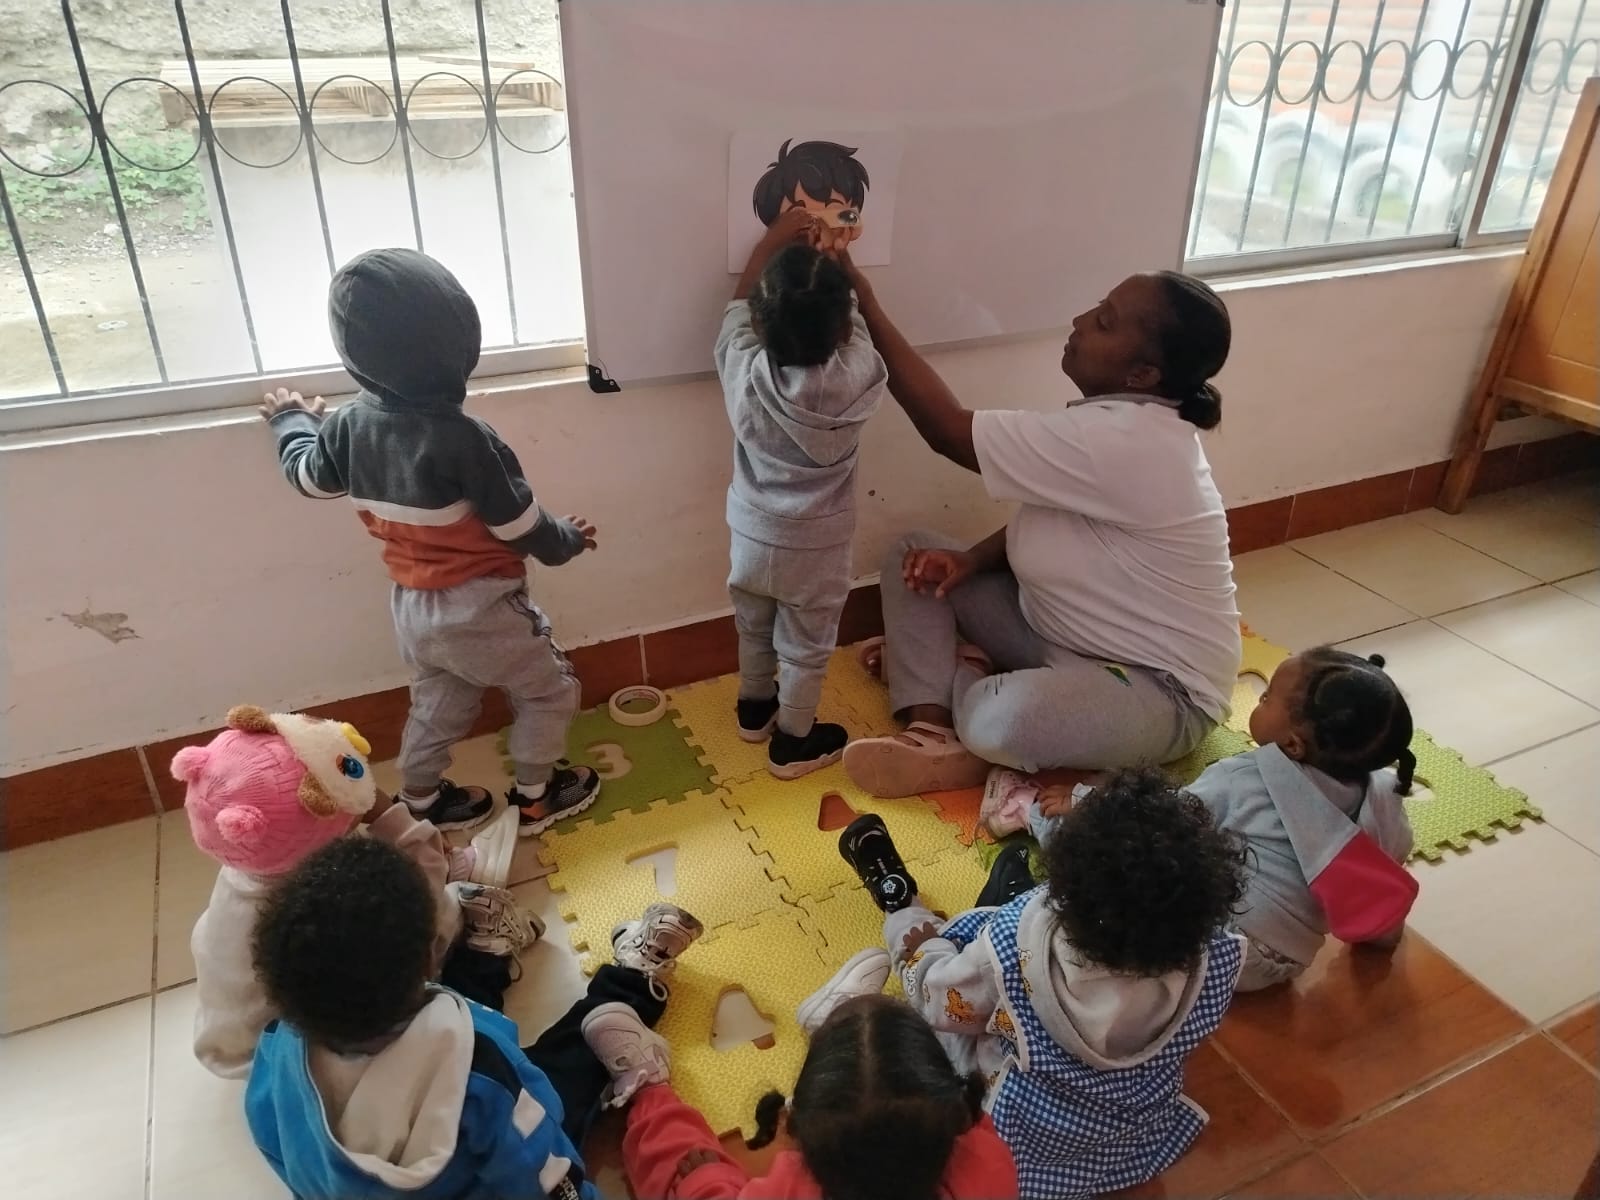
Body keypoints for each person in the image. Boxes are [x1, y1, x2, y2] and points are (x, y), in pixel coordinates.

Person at [836, 258, 1241, 797]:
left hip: (1158, 688)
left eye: (1104, 322)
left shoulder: (1127, 442)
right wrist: (970, 561)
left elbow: (948, 432)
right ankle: (931, 731)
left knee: (999, 721)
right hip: (1053, 630)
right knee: (915, 556)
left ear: (1142, 375)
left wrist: (868, 306)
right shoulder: (1109, 425)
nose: (1080, 320)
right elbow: (1056, 519)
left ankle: (962, 678)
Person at [261, 247, 599, 837]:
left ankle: (418, 803)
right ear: (464, 344)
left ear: (353, 356)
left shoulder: (345, 426)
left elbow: (308, 478)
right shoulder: (466, 439)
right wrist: (567, 540)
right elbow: (520, 527)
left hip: (414, 610)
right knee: (550, 692)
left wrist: (291, 421)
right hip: (484, 607)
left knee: (438, 702)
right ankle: (537, 798)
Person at [823, 769, 1249, 1200]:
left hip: (1023, 1136)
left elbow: (942, 1003)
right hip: (1121, 1138)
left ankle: (898, 901)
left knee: (928, 979)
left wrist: (922, 952)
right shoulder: (1213, 958)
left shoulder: (1012, 950)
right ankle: (1000, 889)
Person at [246, 835, 703, 1199]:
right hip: (488, 1141)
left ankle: (488, 952)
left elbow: (274, 1143)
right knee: (570, 1062)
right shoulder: (483, 1067)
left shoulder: (277, 1041)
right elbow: (542, 1171)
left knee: (443, 1006)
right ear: (433, 953)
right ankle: (632, 981)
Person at [173, 704, 533, 1078]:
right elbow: (418, 906)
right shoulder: (329, 905)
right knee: (433, 938)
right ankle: (473, 923)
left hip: (235, 1044)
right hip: (308, 1055)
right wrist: (386, 814)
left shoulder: (251, 852)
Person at [717, 209, 887, 778]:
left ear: (760, 324)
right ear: (841, 331)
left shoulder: (744, 372)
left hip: (751, 531)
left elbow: (734, 312)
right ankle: (794, 739)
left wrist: (767, 243)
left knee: (753, 623)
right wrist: (839, 263)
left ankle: (753, 707)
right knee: (807, 644)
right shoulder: (858, 376)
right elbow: (858, 327)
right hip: (817, 547)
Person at [615, 994, 1019, 1200]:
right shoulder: (988, 1162)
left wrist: (704, 1183)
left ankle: (648, 1086)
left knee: (684, 1165)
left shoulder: (789, 1188)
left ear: (790, 1128)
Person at [1182, 648, 1418, 991]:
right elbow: (1395, 852)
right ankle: (1380, 926)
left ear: (1293, 744)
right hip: (1290, 959)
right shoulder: (1386, 793)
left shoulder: (1242, 777)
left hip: (1216, 948)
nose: (1258, 700)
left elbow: (1169, 823)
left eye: (1266, 697)